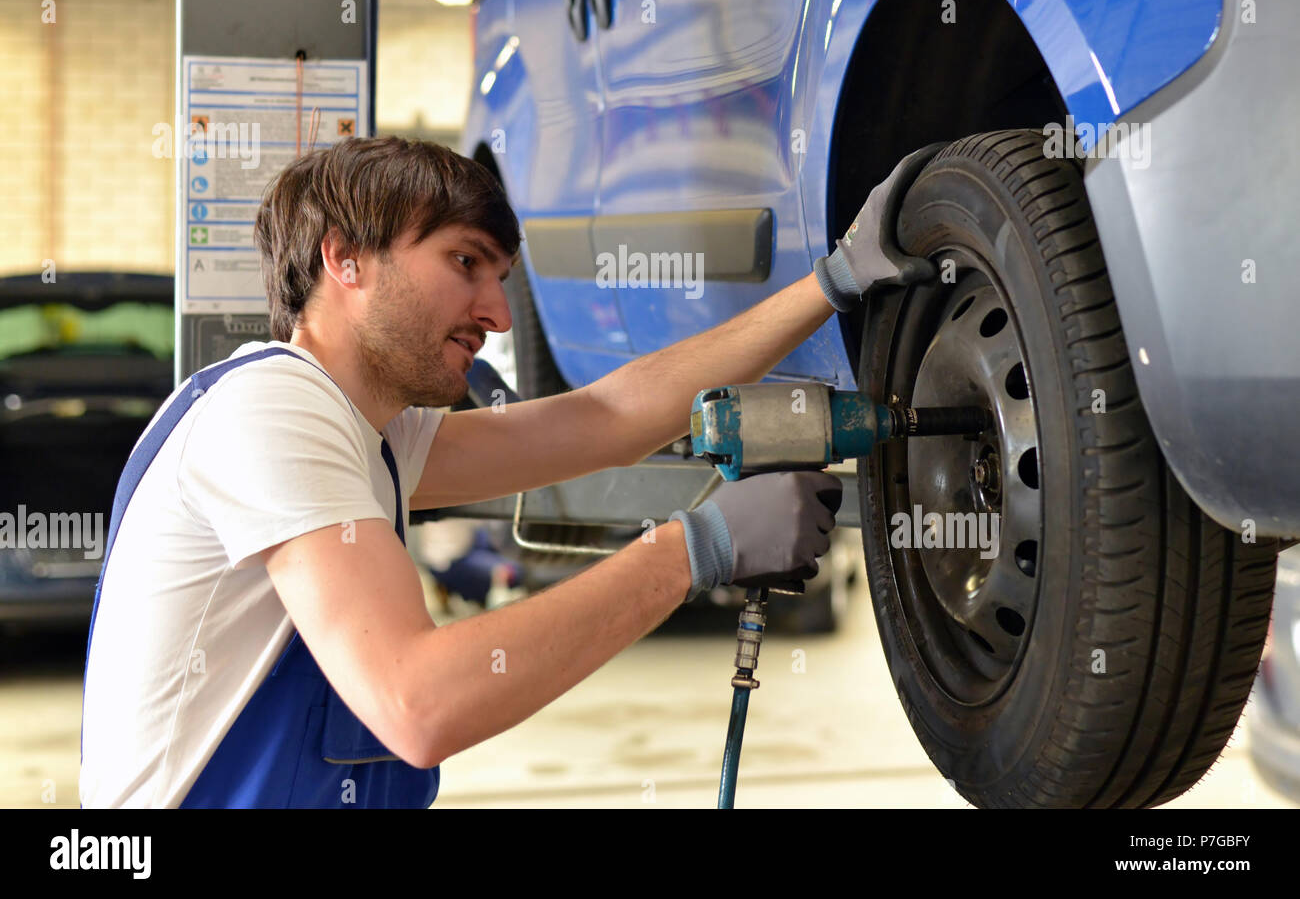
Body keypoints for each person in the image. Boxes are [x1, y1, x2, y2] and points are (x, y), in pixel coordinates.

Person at [79, 135, 940, 808]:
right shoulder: (270, 411)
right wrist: (692, 552)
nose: (494, 314)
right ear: (344, 259)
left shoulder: (365, 433)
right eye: (464, 263)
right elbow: (417, 706)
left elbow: (605, 419)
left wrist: (829, 283)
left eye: (499, 279)